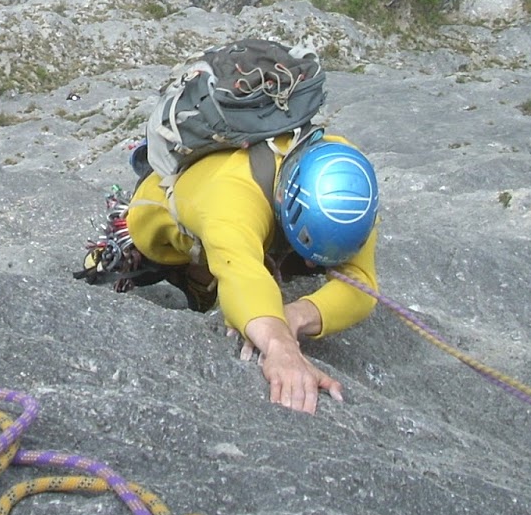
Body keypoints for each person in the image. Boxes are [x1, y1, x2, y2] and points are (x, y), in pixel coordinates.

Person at [123, 131, 379, 415]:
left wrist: (295, 316)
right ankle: (193, 280)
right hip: (161, 216)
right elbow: (241, 276)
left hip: (249, 203)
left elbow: (362, 285)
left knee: (261, 255)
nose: (310, 268)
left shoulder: (347, 181)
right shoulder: (231, 204)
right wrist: (280, 345)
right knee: (217, 259)